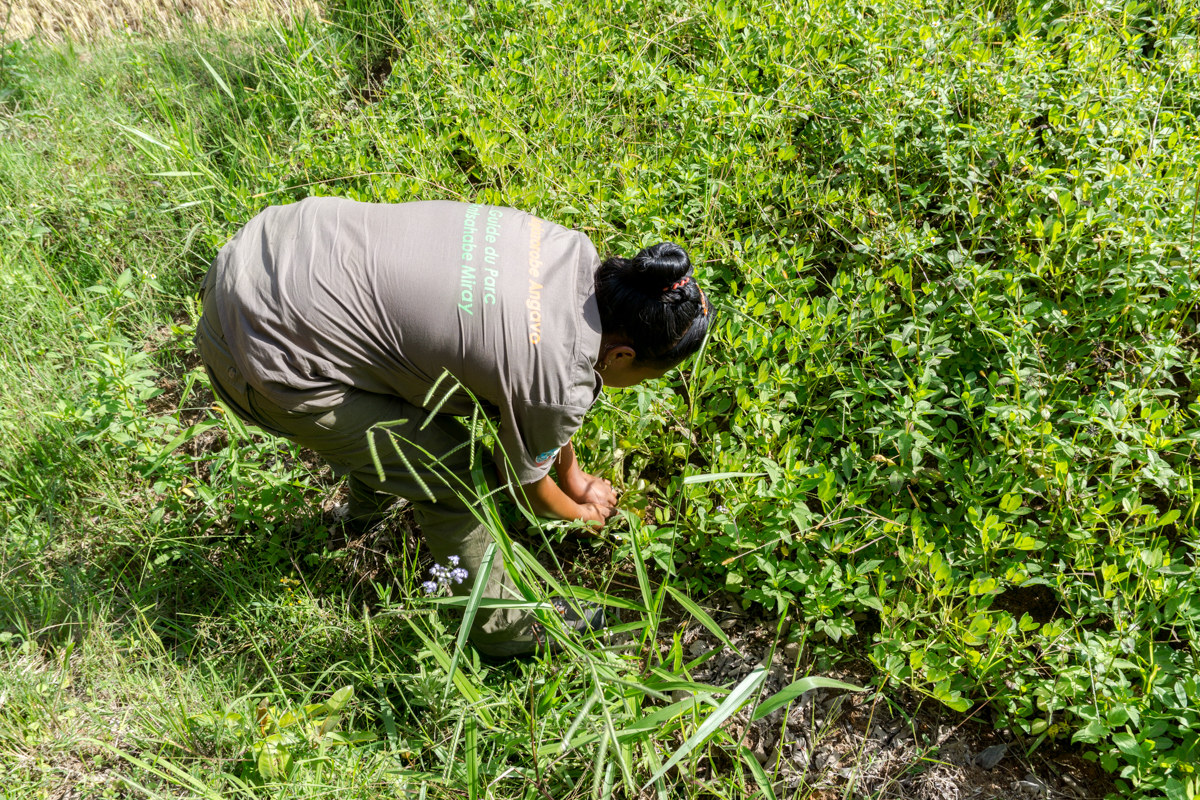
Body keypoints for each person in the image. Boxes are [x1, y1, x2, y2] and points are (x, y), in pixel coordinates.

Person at [194, 197, 710, 658]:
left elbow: (536, 390)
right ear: (622, 355)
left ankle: (361, 513)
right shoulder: (556, 378)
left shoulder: (567, 253)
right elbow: (523, 480)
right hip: (260, 350)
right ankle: (505, 629)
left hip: (275, 245)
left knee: (417, 385)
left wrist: (575, 479)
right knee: (457, 478)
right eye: (649, 376)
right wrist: (580, 515)